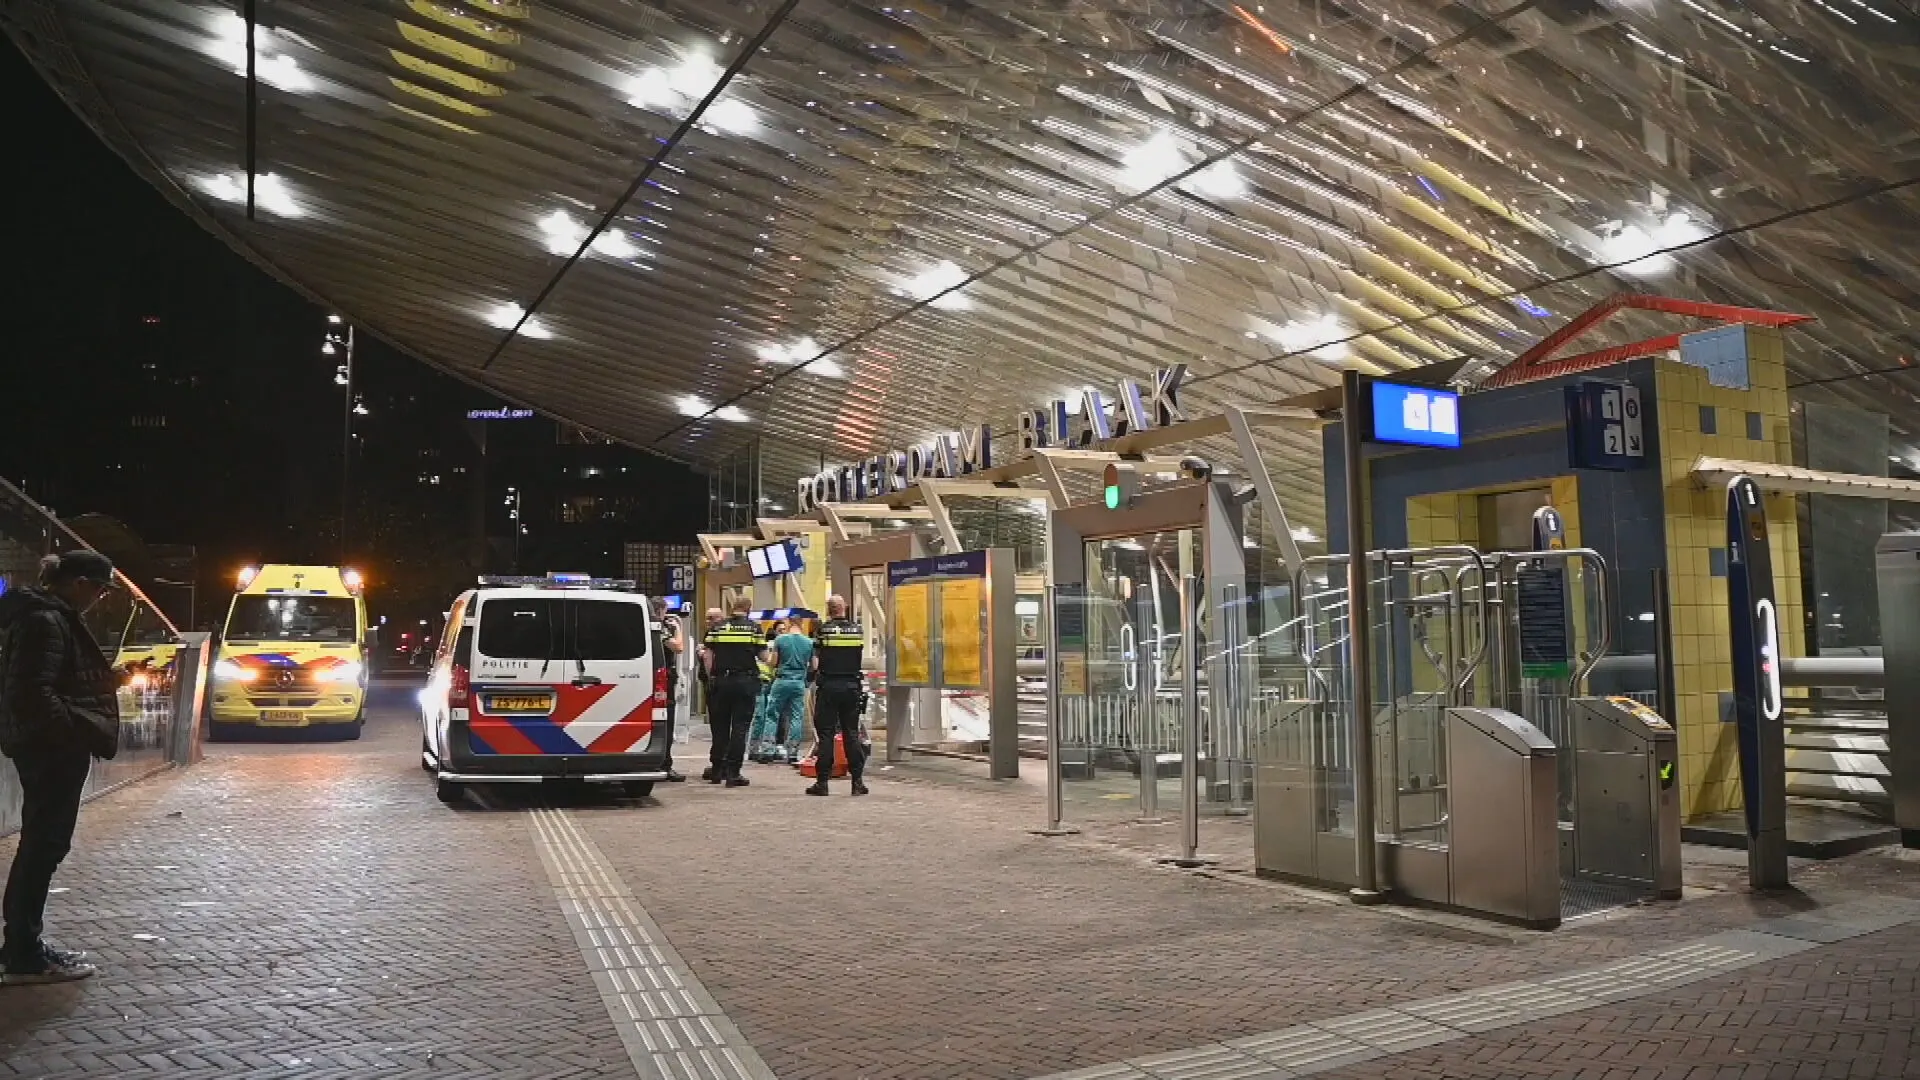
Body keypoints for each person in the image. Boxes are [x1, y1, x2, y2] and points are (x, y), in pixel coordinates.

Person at [0, 551, 122, 985]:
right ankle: (24, 954)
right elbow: (33, 690)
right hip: (51, 750)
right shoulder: (45, 620)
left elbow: (49, 682)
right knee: (42, 848)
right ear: (79, 583)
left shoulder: (43, 616)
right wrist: (73, 730)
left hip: (45, 746)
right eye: (100, 589)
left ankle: (22, 946)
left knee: (41, 846)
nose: (101, 598)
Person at [806, 594, 868, 797]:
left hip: (829, 687)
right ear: (845, 608)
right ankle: (857, 782)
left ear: (829, 610)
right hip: (851, 687)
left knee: (826, 735)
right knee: (851, 733)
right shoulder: (857, 630)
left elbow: (815, 662)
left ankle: (822, 783)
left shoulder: (822, 631)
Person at [701, 596, 763, 787]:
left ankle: (717, 770)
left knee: (720, 727)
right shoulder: (753, 628)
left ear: (732, 607)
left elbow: (707, 655)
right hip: (744, 682)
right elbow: (764, 656)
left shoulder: (717, 627)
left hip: (721, 682)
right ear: (748, 609)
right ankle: (733, 773)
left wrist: (712, 676)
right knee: (740, 727)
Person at [766, 618, 814, 764]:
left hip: (781, 681)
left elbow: (772, 662)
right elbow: (815, 665)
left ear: (788, 624)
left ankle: (768, 749)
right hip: (799, 682)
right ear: (802, 624)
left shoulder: (780, 640)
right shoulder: (809, 643)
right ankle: (792, 752)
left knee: (772, 714)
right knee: (796, 716)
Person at [651, 598, 686, 782]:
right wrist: (678, 628)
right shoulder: (658, 627)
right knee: (666, 720)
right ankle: (665, 763)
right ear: (661, 611)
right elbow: (679, 647)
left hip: (650, 677)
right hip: (662, 679)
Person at [695, 607, 723, 781]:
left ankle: (719, 766)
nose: (709, 621)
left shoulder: (714, 634)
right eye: (707, 618)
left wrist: (701, 653)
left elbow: (707, 659)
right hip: (724, 683)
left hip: (715, 684)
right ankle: (726, 766)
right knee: (725, 726)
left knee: (718, 725)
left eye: (712, 618)